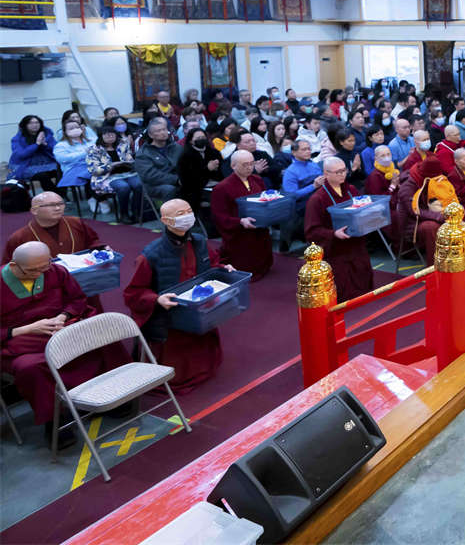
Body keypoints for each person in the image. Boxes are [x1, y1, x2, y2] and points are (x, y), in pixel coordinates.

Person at [2, 241, 128, 447]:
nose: (40, 274)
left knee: (103, 337)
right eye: (33, 271)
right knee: (30, 368)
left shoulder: (56, 271)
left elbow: (77, 299)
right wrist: (29, 328)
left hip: (62, 327)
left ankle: (107, 393)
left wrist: (62, 316)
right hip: (21, 341)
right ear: (14, 266)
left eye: (44, 267)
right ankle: (55, 419)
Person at [122, 199, 229, 392]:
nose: (187, 216)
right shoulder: (151, 254)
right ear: (165, 220)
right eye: (180, 214)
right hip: (171, 316)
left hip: (198, 308)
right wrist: (157, 299)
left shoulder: (199, 241)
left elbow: (211, 266)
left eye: (189, 211)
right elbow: (133, 292)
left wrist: (223, 269)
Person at [304, 157, 374, 303]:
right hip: (335, 251)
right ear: (326, 174)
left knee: (364, 288)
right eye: (338, 172)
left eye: (344, 170)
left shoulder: (351, 190)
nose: (342, 175)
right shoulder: (317, 199)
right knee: (344, 294)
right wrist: (333, 234)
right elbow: (311, 232)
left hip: (356, 244)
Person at [210, 150, 274, 281]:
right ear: (233, 166)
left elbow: (265, 200)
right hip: (239, 233)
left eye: (252, 163)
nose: (249, 167)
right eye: (245, 164)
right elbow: (219, 216)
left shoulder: (257, 180)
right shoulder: (221, 188)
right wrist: (239, 221)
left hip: (259, 227)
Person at [4, 192, 102, 262]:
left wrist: (101, 249)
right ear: (34, 210)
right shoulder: (19, 237)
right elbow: (9, 267)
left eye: (60, 204)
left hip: (82, 275)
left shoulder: (76, 222)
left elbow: (93, 242)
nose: (57, 208)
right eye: (51, 205)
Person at [87, 123, 142, 223]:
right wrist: (110, 166)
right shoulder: (94, 150)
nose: (110, 136)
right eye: (106, 134)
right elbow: (93, 170)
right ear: (101, 136)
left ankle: (136, 213)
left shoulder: (122, 145)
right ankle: (124, 214)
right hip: (107, 176)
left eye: (112, 134)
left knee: (139, 185)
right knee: (123, 187)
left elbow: (129, 159)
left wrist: (129, 162)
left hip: (127, 173)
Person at [281, 140, 324, 251]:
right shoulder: (291, 172)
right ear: (294, 152)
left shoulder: (313, 165)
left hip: (317, 199)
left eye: (309, 149)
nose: (308, 151)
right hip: (301, 205)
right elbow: (292, 195)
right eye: (304, 149)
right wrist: (313, 186)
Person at [135, 117, 183, 201]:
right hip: (155, 185)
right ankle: (172, 209)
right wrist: (176, 180)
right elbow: (151, 176)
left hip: (178, 179)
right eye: (158, 131)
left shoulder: (176, 147)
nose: (163, 133)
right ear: (151, 135)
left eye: (164, 129)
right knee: (169, 189)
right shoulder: (143, 154)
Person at [9, 115, 60, 193]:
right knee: (43, 175)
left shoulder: (47, 135)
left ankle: (60, 193)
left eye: (37, 122)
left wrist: (45, 144)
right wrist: (36, 144)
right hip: (28, 166)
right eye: (31, 123)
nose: (35, 125)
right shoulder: (17, 139)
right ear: (25, 125)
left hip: (49, 163)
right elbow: (21, 155)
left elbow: (57, 150)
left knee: (63, 169)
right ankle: (55, 195)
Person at [52, 119, 93, 190]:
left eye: (77, 127)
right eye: (71, 128)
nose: (75, 129)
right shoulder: (61, 145)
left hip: (91, 165)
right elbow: (62, 159)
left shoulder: (90, 141)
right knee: (93, 173)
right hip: (73, 168)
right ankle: (94, 195)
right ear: (65, 131)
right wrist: (83, 153)